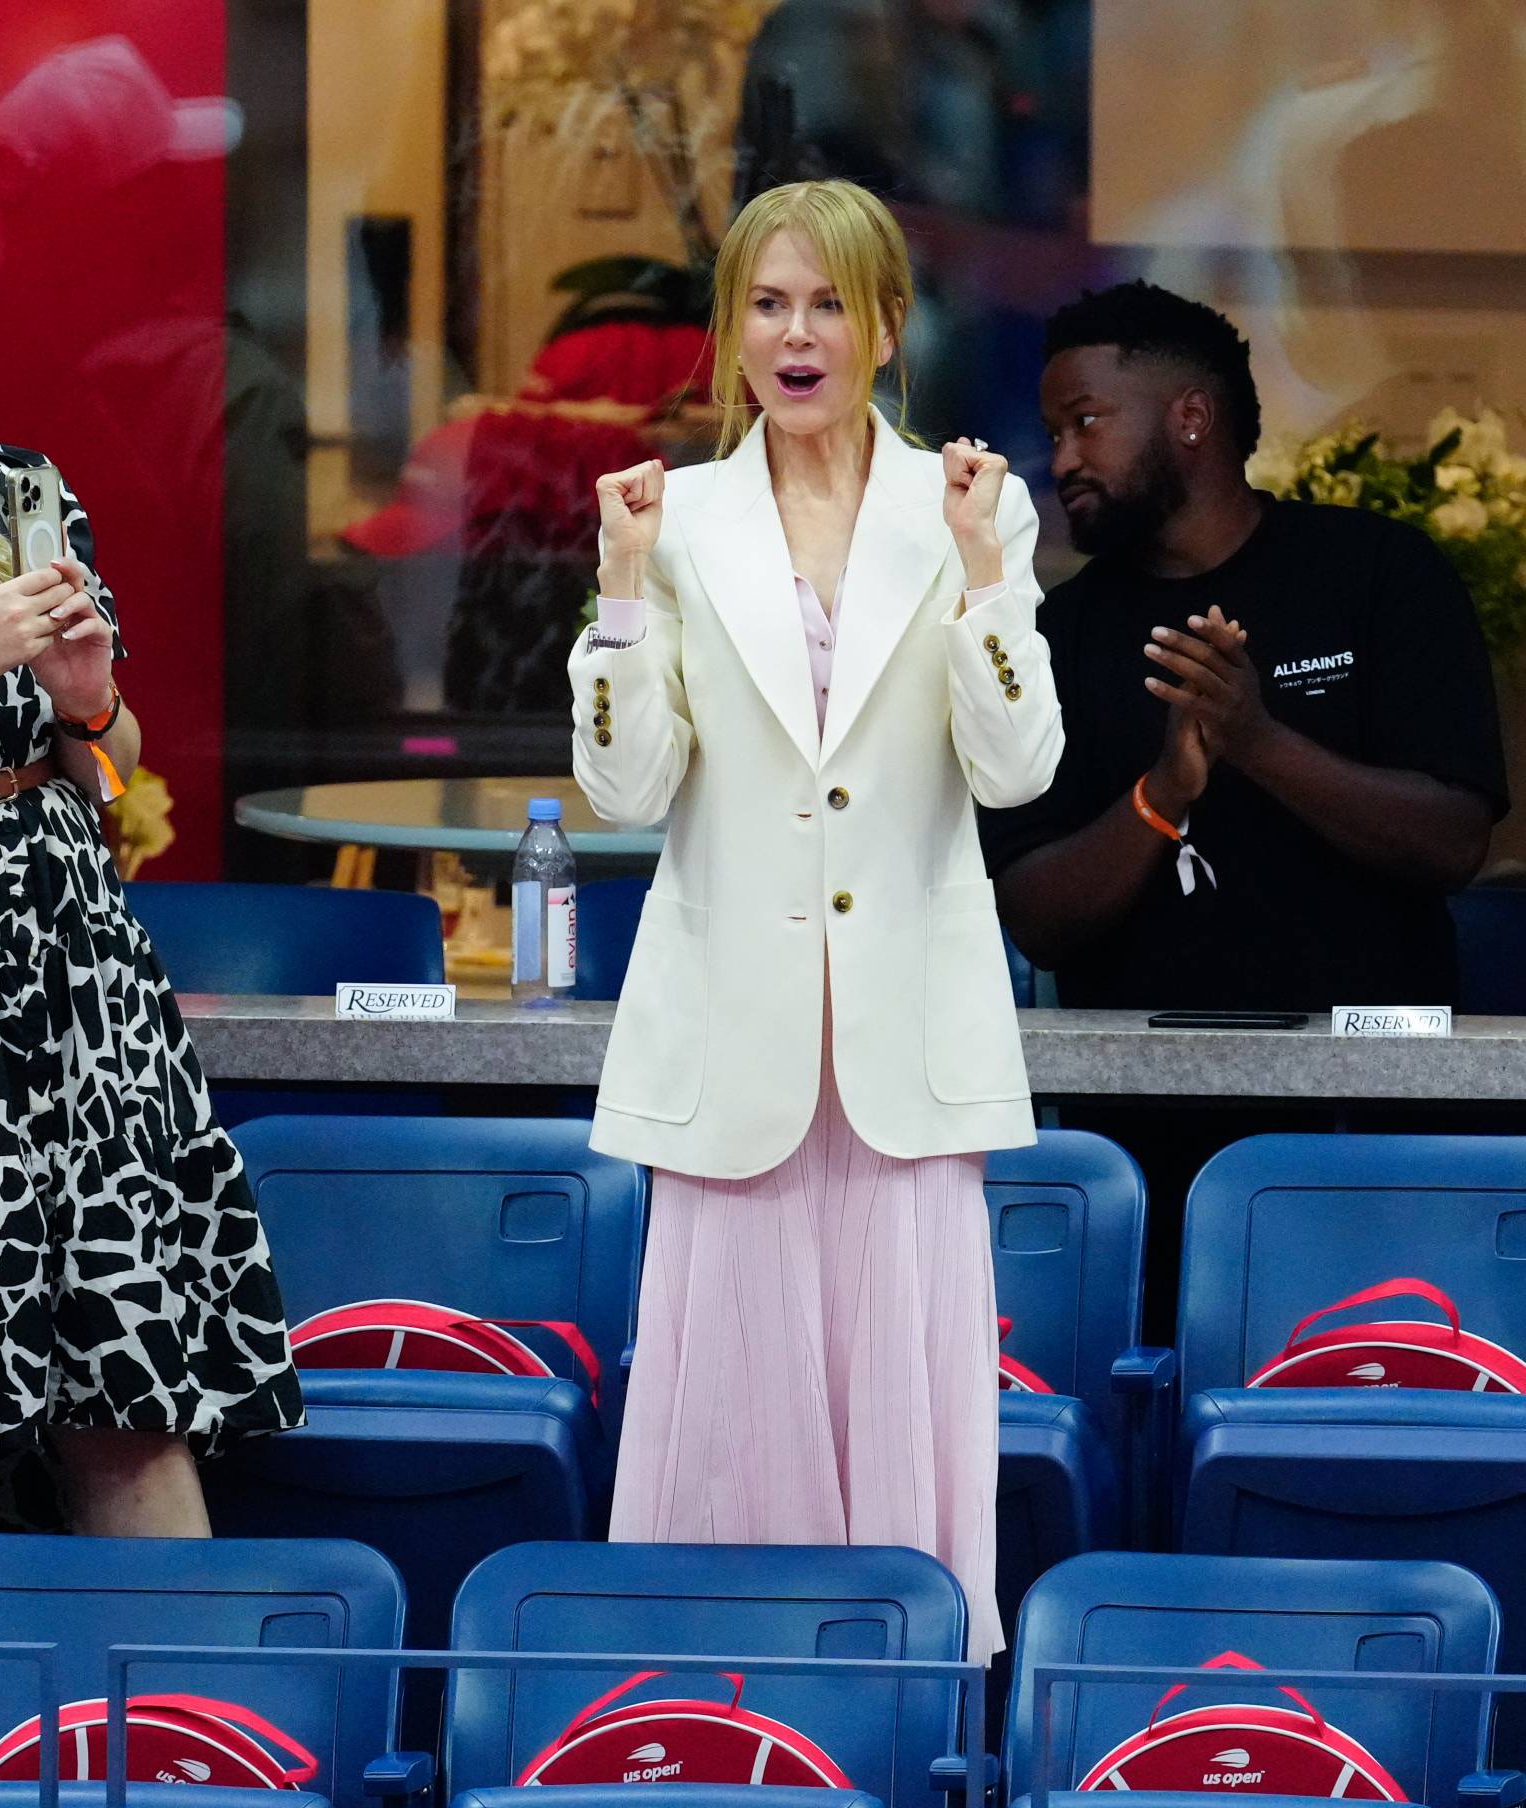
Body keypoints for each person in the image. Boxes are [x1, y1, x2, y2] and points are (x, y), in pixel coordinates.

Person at [570, 178, 1064, 1661]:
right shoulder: (677, 517)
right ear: (730, 335)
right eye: (769, 306)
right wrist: (619, 597)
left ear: (889, 326)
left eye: (831, 304)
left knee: (908, 1445)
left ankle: (899, 1715)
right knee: (724, 1431)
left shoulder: (969, 507)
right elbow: (626, 786)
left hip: (905, 1060)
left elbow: (1018, 767)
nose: (800, 337)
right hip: (736, 1056)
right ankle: (705, 1711)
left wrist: (986, 578)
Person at [0, 433, 304, 1544]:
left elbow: (108, 760)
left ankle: (190, 1716)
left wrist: (88, 699)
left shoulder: (6, 483)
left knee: (123, 1378)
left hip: (67, 993)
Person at [983, 279, 1508, 1013]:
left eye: (1086, 422)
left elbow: (1452, 846)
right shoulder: (1055, 632)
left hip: (1374, 1090)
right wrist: (1162, 791)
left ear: (1191, 417)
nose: (1063, 460)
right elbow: (1037, 920)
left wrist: (1256, 740)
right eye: (1054, 434)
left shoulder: (1380, 572)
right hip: (1140, 1098)